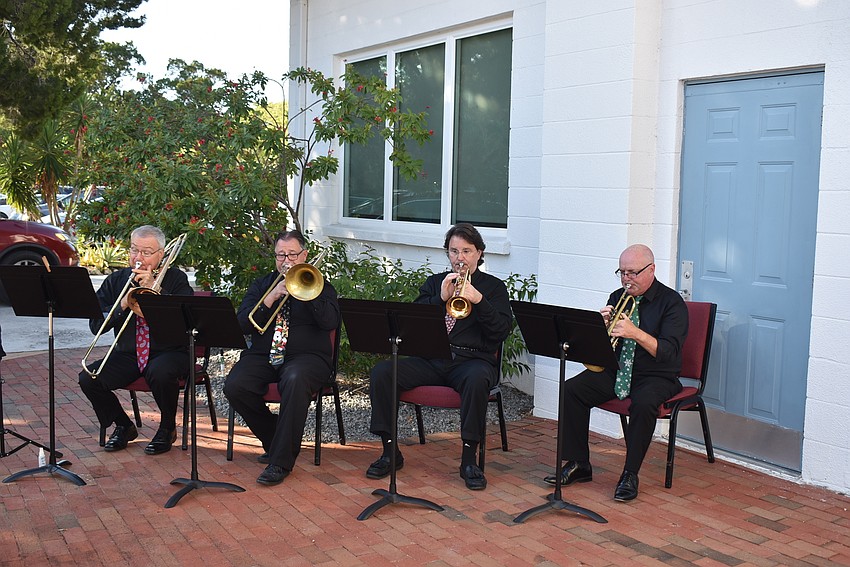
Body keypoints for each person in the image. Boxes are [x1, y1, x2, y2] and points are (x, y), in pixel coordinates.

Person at [366, 223, 513, 490]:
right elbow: (409, 325)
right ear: (448, 254)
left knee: (478, 379)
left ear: (479, 253)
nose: (460, 258)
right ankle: (390, 451)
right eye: (454, 251)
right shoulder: (436, 283)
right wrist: (439, 298)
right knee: (383, 372)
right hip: (432, 359)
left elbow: (500, 331)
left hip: (472, 362)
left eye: (466, 251)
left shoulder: (493, 288)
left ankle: (469, 460)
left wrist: (479, 301)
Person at [544, 243, 688, 502]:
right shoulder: (616, 297)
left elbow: (670, 353)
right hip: (620, 371)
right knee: (572, 389)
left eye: (632, 272)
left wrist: (636, 333)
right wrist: (602, 328)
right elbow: (606, 349)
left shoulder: (672, 303)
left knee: (644, 404)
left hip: (656, 375)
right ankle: (579, 464)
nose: (626, 279)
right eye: (621, 272)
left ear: (652, 269)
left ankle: (630, 474)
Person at [224, 230, 340, 486]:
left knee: (295, 379)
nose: (286, 260)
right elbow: (243, 324)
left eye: (292, 254)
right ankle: (277, 436)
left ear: (304, 255)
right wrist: (270, 298)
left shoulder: (320, 285)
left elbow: (331, 321)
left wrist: (309, 296)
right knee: (235, 385)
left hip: (307, 357)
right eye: (280, 255)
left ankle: (280, 462)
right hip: (264, 354)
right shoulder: (262, 284)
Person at [79, 225, 193, 455]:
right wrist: (122, 303)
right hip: (129, 353)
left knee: (159, 371)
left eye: (146, 252)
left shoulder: (176, 279)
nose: (138, 258)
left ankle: (167, 427)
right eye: (134, 250)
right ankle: (123, 424)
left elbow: (186, 322)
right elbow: (95, 326)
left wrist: (154, 288)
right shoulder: (116, 280)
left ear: (162, 254)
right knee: (89, 378)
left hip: (169, 351)